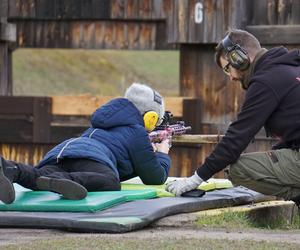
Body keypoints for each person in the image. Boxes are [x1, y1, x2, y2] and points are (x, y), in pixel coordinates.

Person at [166, 29, 300, 204]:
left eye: (228, 68)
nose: (230, 77)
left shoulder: (265, 82)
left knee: (238, 169)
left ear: (240, 58)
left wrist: (196, 179)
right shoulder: (290, 68)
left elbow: (236, 139)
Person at [0, 83, 171, 204]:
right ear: (150, 117)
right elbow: (154, 177)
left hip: (63, 151)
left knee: (39, 176)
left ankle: (12, 169)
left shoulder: (105, 121)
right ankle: (61, 180)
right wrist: (162, 154)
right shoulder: (137, 131)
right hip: (93, 158)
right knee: (111, 182)